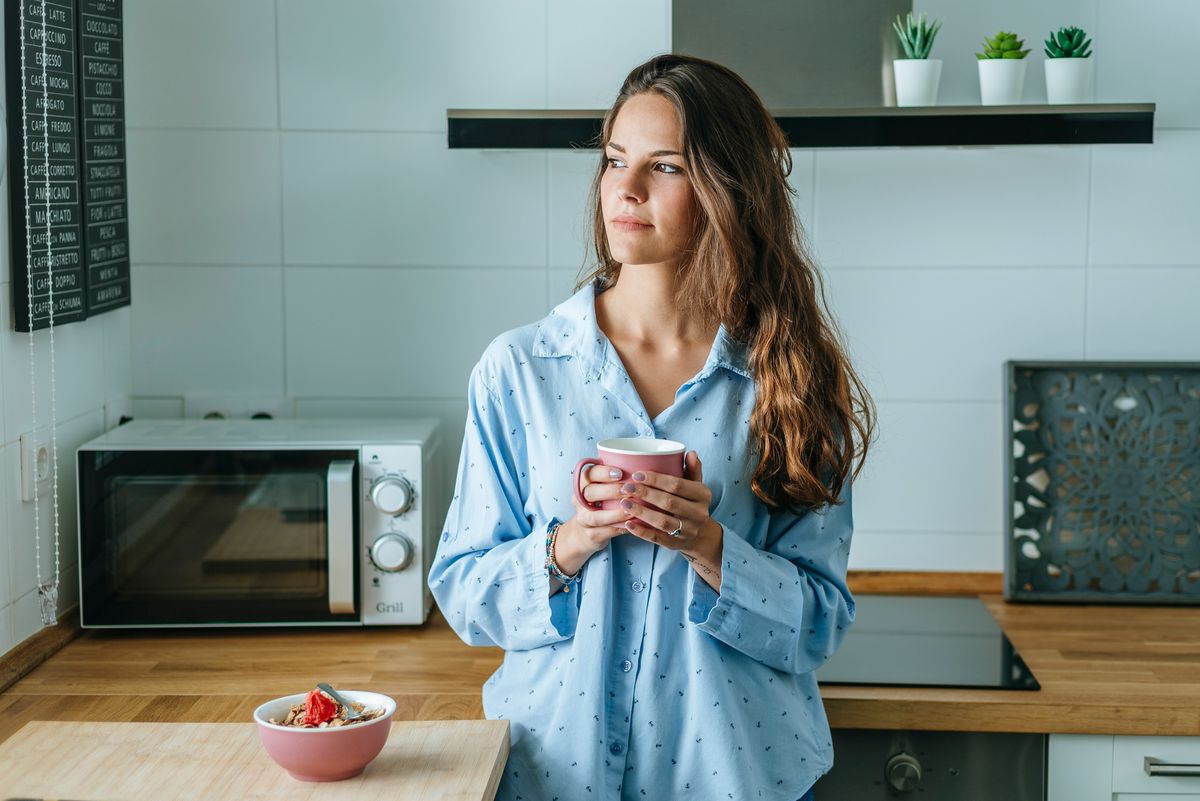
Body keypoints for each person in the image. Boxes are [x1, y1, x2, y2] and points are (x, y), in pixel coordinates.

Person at [428, 53, 877, 801]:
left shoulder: (789, 379)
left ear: (725, 187)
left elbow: (821, 621)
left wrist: (711, 546)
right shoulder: (520, 371)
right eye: (614, 160)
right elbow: (465, 591)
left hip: (737, 777)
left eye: (664, 166)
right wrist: (570, 543)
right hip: (551, 778)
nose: (625, 190)